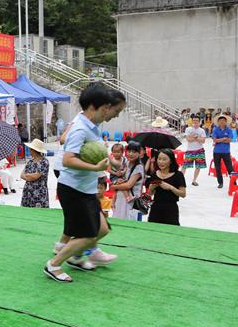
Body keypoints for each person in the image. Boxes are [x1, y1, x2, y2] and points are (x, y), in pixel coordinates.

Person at [44, 84, 126, 283]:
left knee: (102, 229)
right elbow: (68, 159)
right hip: (73, 189)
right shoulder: (80, 128)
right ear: (98, 106)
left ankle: (77, 256)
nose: (115, 114)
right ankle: (53, 265)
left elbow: (91, 152)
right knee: (88, 235)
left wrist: (108, 162)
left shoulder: (93, 126)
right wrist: (96, 168)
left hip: (85, 188)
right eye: (114, 110)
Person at [147, 148, 187, 226]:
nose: (161, 162)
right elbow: (150, 194)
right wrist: (151, 188)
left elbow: (183, 194)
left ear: (171, 161)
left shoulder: (178, 175)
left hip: (171, 208)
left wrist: (170, 187)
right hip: (156, 208)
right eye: (159, 159)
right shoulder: (154, 174)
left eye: (164, 159)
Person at [110, 141, 145, 221]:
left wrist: (114, 186)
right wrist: (120, 180)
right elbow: (124, 178)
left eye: (134, 152)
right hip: (120, 199)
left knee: (128, 225)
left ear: (139, 153)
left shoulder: (138, 167)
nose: (131, 154)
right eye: (129, 151)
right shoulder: (127, 162)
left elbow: (129, 185)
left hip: (130, 203)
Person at [20, 139, 49, 208]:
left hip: (39, 193)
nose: (29, 150)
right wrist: (28, 176)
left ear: (34, 150)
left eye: (30, 149)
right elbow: (21, 175)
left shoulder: (44, 162)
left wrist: (27, 176)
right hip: (28, 192)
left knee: (39, 214)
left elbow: (34, 177)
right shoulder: (30, 162)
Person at [182, 116, 207, 186]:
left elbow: (203, 141)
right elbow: (188, 140)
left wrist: (194, 137)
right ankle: (180, 179)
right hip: (190, 150)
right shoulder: (188, 129)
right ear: (192, 121)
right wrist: (197, 138)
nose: (195, 122)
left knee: (198, 166)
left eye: (197, 120)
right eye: (194, 120)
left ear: (199, 121)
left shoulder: (202, 130)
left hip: (199, 150)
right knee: (185, 166)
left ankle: (194, 180)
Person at [211, 115, 234, 189]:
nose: (222, 122)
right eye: (220, 121)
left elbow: (230, 140)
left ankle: (233, 182)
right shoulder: (215, 129)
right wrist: (224, 138)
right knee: (218, 168)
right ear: (218, 122)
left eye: (223, 121)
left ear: (226, 122)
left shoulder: (229, 129)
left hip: (226, 152)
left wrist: (219, 140)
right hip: (216, 152)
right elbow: (214, 140)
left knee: (230, 168)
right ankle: (220, 182)